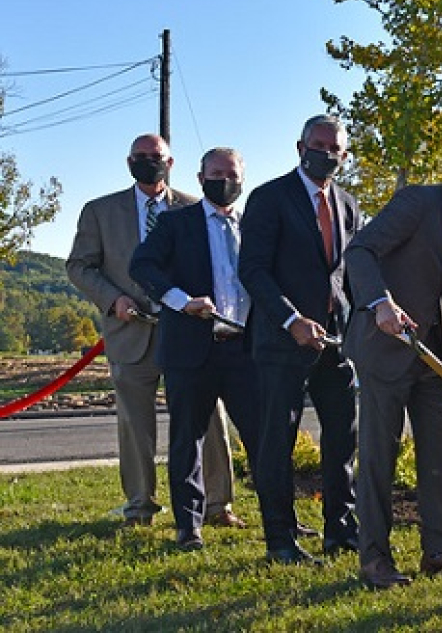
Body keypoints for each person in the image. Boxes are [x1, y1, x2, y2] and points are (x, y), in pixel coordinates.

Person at [343, 139, 442, 590]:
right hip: (384, 346)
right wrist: (381, 303)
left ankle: (441, 551)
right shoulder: (419, 200)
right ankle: (374, 558)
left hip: (433, 360)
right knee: (380, 454)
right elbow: (360, 251)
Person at [66, 133, 243, 529]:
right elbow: (79, 266)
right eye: (140, 157)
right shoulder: (100, 211)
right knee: (135, 423)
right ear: (129, 162)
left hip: (193, 331)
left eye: (156, 156)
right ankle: (140, 505)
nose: (149, 162)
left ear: (172, 162)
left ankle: (218, 504)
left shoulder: (198, 206)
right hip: (130, 330)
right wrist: (113, 300)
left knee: (209, 419)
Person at [238, 115, 362, 566]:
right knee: (278, 443)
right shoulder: (270, 199)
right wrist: (291, 319)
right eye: (318, 145)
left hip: (335, 342)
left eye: (335, 149)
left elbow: (348, 274)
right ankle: (281, 540)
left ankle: (341, 531)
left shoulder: (348, 204)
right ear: (300, 146)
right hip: (281, 343)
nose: (326, 153)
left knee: (343, 439)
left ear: (344, 156)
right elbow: (252, 269)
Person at [127, 147, 262, 550]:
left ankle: (281, 520)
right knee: (188, 441)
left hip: (245, 350)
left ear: (243, 177)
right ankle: (190, 527)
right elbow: (142, 266)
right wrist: (180, 300)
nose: (225, 181)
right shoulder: (176, 223)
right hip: (191, 350)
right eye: (216, 174)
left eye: (232, 174)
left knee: (262, 436)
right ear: (200, 179)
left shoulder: (254, 225)